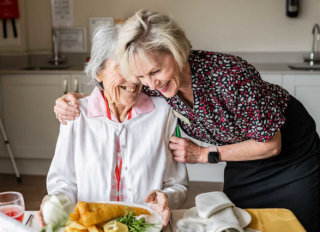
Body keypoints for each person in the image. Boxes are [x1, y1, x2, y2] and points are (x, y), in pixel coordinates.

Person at [54, 10, 320, 231]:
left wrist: (204, 154)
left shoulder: (230, 75)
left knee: (298, 223)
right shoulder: (153, 83)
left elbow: (270, 145)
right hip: (243, 157)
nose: (150, 83)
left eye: (155, 71)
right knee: (241, 223)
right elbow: (116, 89)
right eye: (142, 77)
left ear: (177, 50)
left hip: (290, 153)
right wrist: (74, 101)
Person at [42, 24, 188, 227]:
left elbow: (178, 185)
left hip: (146, 226)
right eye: (121, 68)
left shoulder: (163, 112)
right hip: (93, 226)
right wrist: (55, 203)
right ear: (98, 73)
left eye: (136, 70)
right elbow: (63, 182)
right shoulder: (75, 113)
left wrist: (166, 198)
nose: (133, 80)